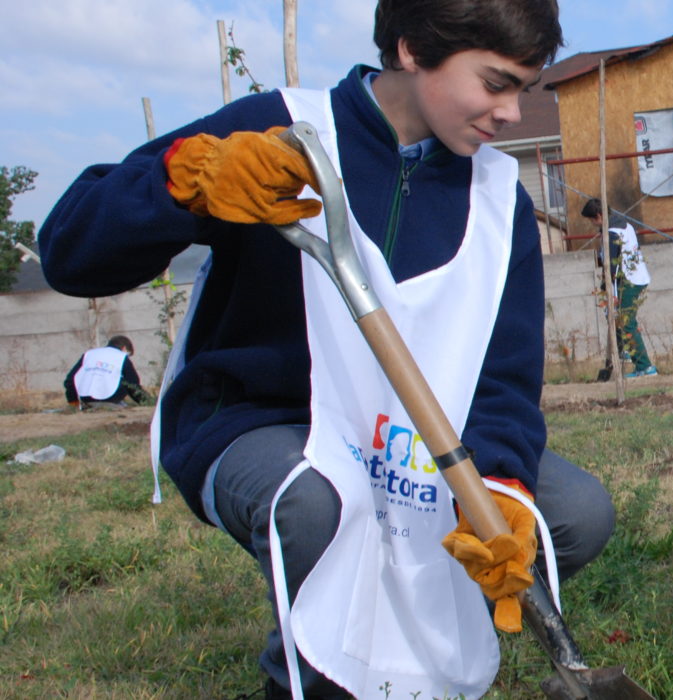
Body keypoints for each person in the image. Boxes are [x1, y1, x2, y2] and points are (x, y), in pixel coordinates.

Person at [38, 1, 615, 698]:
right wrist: (181, 183)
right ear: (410, 49)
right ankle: (310, 677)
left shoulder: (498, 200)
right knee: (317, 505)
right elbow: (69, 251)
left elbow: (503, 377)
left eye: (524, 89)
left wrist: (501, 484)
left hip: (411, 439)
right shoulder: (276, 129)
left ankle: (403, 657)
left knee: (574, 514)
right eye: (495, 84)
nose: (512, 114)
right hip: (267, 421)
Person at [583, 198, 657, 379]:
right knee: (617, 319)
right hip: (636, 277)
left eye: (592, 220)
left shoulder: (612, 233)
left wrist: (607, 288)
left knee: (625, 321)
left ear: (599, 216)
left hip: (628, 280)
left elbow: (612, 266)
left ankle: (645, 367)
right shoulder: (625, 225)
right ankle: (622, 351)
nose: (592, 224)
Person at [63, 335, 150, 408]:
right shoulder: (121, 357)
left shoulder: (89, 354)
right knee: (125, 380)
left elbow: (70, 380)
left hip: (86, 399)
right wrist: (146, 402)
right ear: (124, 348)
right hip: (110, 398)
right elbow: (133, 385)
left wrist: (73, 402)